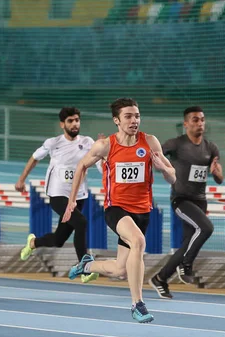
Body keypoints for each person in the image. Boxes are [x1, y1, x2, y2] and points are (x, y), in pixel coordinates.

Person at [62, 98, 176, 323]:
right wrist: (71, 201)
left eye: (137, 116)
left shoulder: (150, 142)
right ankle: (138, 304)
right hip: (116, 209)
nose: (135, 120)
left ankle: (87, 265)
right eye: (128, 116)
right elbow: (81, 166)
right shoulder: (105, 146)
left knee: (120, 270)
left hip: (142, 211)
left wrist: (163, 168)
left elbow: (173, 178)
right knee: (139, 242)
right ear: (116, 120)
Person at [15, 107, 101, 283]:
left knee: (58, 239)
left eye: (77, 120)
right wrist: (21, 180)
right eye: (70, 121)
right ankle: (84, 268)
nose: (75, 123)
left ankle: (33, 243)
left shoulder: (88, 142)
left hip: (79, 195)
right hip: (57, 194)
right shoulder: (53, 143)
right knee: (81, 222)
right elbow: (34, 158)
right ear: (62, 124)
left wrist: (104, 157)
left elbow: (99, 163)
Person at [149, 106, 223, 299]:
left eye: (202, 120)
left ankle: (161, 278)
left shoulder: (211, 147)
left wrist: (216, 173)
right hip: (181, 200)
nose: (200, 123)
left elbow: (220, 178)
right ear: (186, 123)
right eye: (195, 120)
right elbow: (154, 156)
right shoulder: (176, 144)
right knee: (206, 228)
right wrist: (161, 166)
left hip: (200, 201)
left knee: (186, 244)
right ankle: (186, 265)